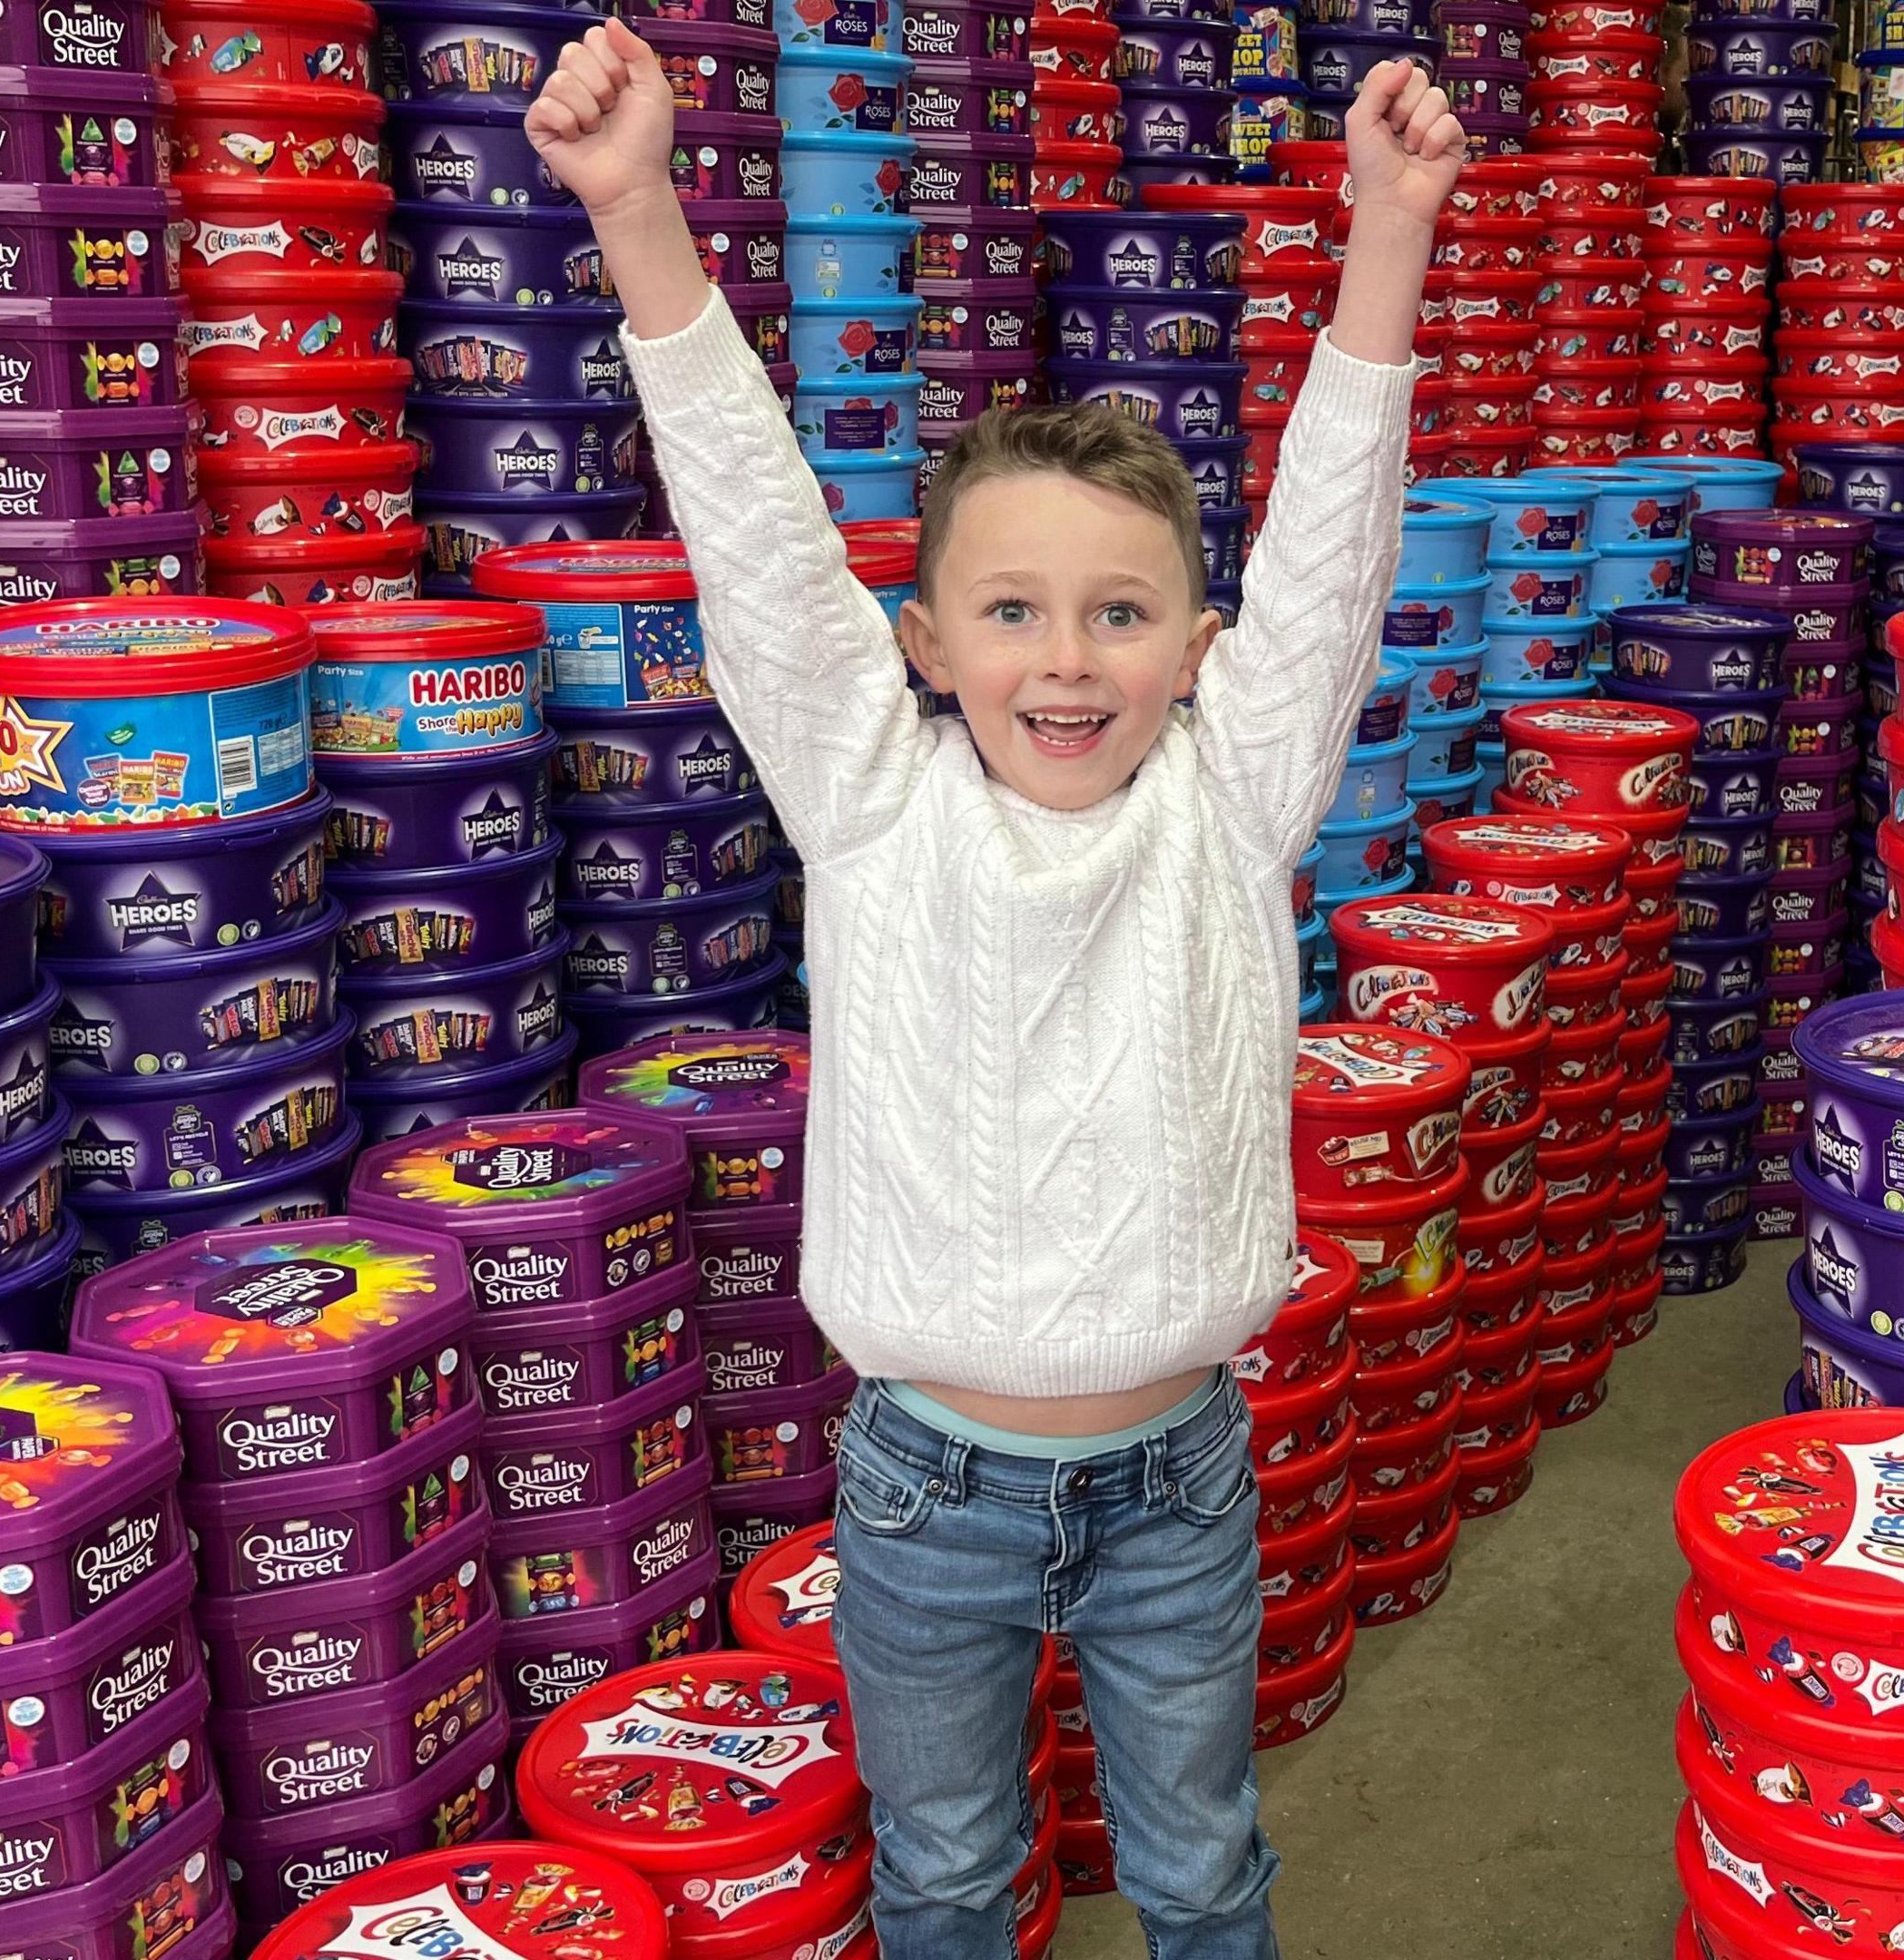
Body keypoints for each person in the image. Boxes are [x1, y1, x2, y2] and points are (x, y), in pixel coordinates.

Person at [525, 29, 1462, 1960]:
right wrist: (637, 211)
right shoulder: (871, 805)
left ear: (1200, 652)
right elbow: (758, 540)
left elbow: (1334, 558)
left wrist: (1389, 235)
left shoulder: (1230, 803)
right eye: (1013, 611)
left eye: (1123, 615)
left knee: (1203, 1871)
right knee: (946, 1877)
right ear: (925, 645)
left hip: (1184, 1472)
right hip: (925, 1481)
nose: (1068, 659)